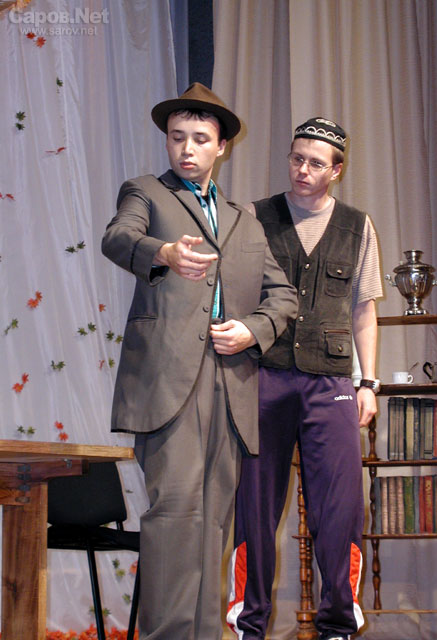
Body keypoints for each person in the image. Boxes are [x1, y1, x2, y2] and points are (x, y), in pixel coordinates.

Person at [101, 82, 298, 640]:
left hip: (231, 382)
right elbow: (118, 237)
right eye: (177, 137)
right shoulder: (146, 192)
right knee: (175, 515)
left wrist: (252, 329)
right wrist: (162, 252)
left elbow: (283, 296)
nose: (187, 148)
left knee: (214, 522)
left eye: (200, 139)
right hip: (169, 379)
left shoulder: (244, 219)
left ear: (221, 147)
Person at [227, 117, 383, 640]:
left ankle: (337, 624)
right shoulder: (255, 217)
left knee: (339, 508)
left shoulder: (358, 226)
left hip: (331, 383)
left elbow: (363, 310)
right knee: (254, 507)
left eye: (316, 163)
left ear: (336, 171)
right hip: (263, 378)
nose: (302, 169)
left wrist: (369, 383)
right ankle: (249, 624)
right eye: (297, 158)